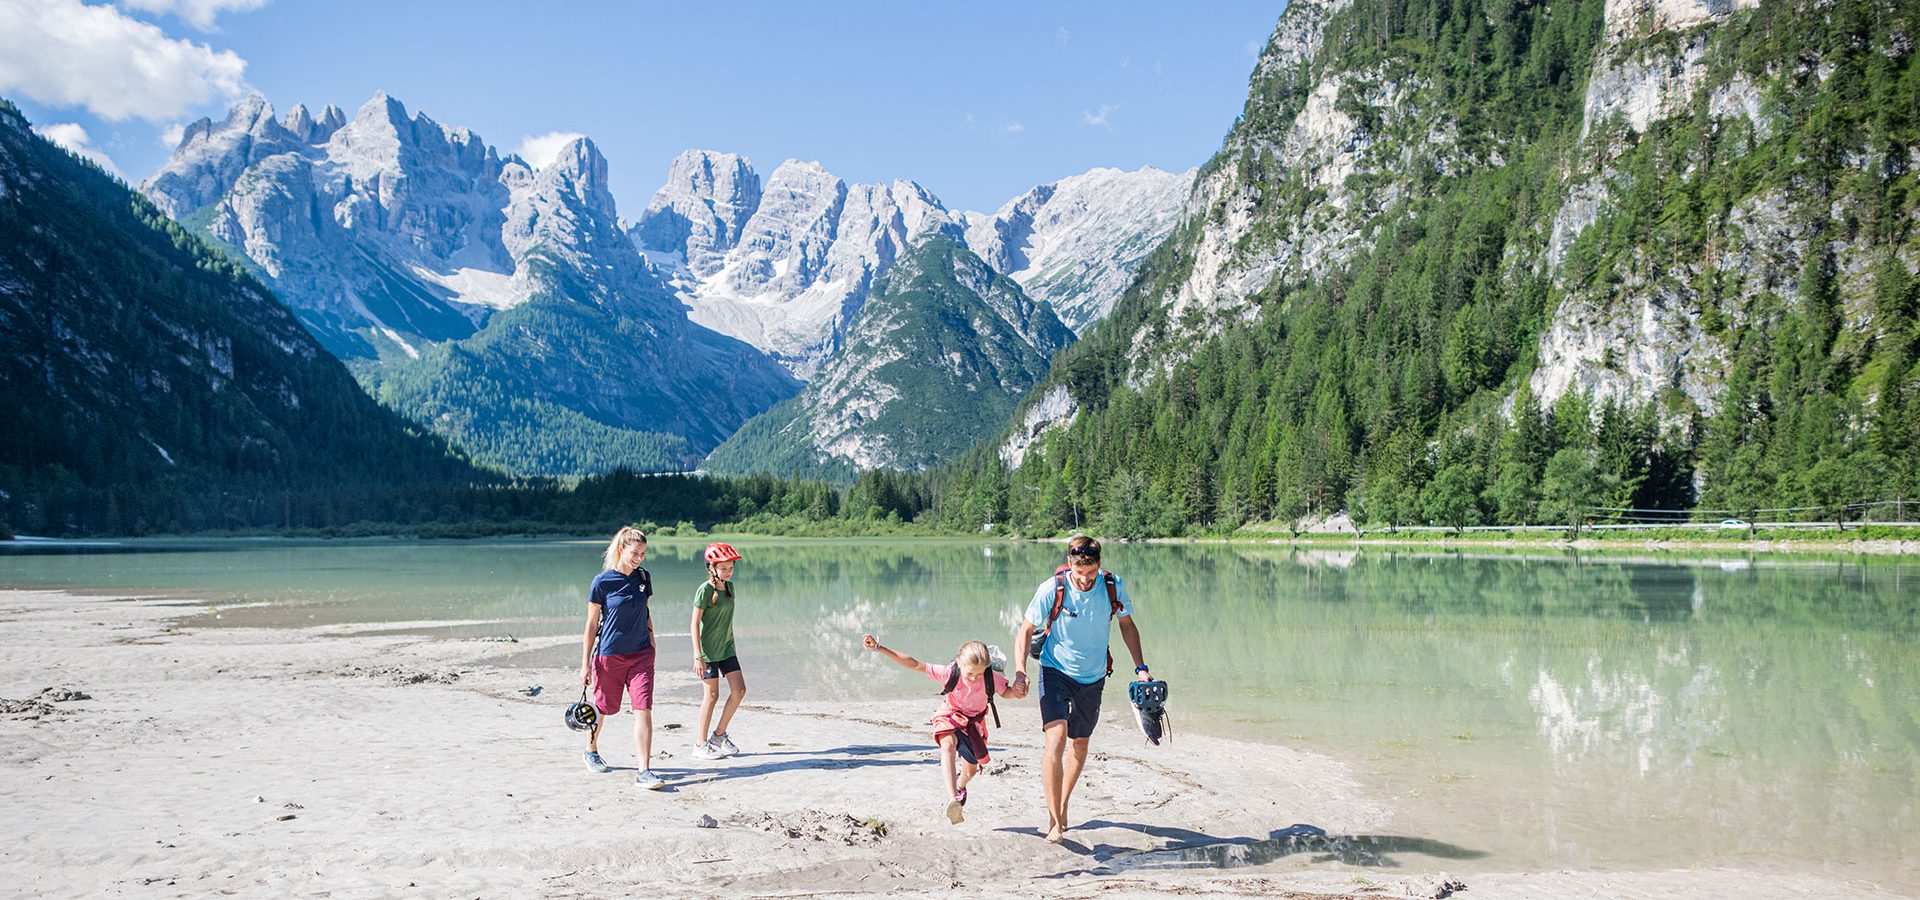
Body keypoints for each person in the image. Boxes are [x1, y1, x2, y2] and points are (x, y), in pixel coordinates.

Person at [1011, 535, 1149, 843]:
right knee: (1055, 739)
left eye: (1090, 573)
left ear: (1099, 565)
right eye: (1079, 573)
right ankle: (1054, 819)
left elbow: (1127, 625)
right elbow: (1025, 630)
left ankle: (1063, 803)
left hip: (1094, 676)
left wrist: (1141, 668)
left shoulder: (1113, 585)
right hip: (1055, 670)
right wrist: (1020, 671)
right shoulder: (1053, 588)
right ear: (1070, 565)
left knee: (1080, 743)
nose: (1084, 579)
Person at [862, 634, 1028, 824]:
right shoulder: (950, 672)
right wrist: (879, 648)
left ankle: (960, 786)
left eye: (980, 674)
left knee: (970, 772)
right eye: (970, 673)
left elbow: (1005, 692)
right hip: (949, 715)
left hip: (972, 725)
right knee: (947, 745)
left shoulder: (990, 677)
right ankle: (952, 800)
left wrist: (1015, 693)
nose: (974, 678)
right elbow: (914, 664)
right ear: (959, 663)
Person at [578, 526, 665, 790]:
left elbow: (645, 609)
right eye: (635, 553)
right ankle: (591, 750)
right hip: (609, 656)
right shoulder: (602, 582)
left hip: (641, 656)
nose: (639, 558)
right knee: (603, 708)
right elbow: (591, 625)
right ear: (621, 549)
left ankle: (644, 771)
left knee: (643, 709)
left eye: (643, 553)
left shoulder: (643, 577)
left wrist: (651, 639)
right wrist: (585, 664)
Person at [690, 541, 747, 759]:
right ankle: (700, 744)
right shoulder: (705, 590)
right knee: (711, 696)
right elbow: (694, 623)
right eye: (724, 568)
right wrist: (698, 655)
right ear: (712, 567)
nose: (728, 572)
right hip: (708, 653)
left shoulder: (730, 588)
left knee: (739, 691)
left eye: (731, 567)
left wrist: (731, 642)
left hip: (727, 650)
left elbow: (727, 621)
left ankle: (719, 735)